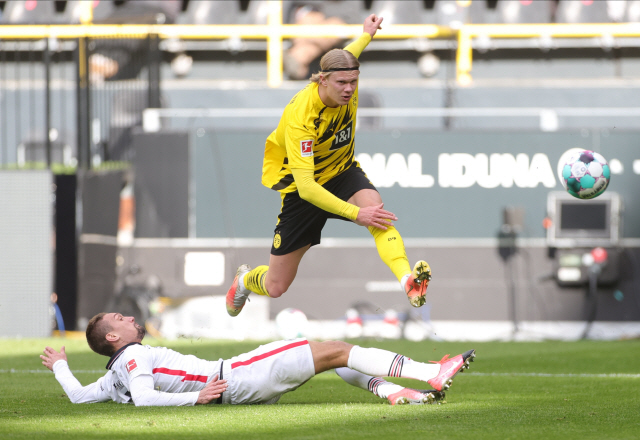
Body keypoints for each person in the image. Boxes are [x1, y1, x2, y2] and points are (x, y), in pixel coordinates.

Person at [226, 14, 432, 319]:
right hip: (303, 189)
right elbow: (308, 188)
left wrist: (366, 35)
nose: (349, 89)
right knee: (277, 285)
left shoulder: (344, 76)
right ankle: (243, 281)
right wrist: (355, 214)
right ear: (322, 79)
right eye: (342, 82)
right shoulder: (302, 117)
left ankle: (408, 282)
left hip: (341, 171)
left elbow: (350, 55)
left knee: (377, 212)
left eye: (354, 81)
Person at [41, 312, 475, 407]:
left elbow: (79, 397)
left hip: (239, 380)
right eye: (121, 318)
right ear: (113, 337)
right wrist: (196, 399)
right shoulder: (133, 358)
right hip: (239, 376)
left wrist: (61, 363)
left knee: (329, 355)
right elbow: (146, 397)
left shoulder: (113, 372)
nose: (131, 317)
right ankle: (430, 373)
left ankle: (402, 395)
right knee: (338, 348)